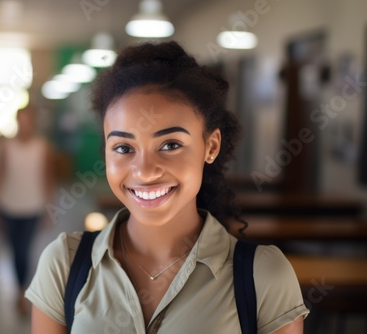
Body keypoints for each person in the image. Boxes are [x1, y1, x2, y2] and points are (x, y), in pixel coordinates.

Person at [26, 41, 309, 333]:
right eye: (124, 148)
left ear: (210, 146)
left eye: (170, 145)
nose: (145, 171)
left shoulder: (262, 276)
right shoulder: (65, 265)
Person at [0, 106, 53, 316]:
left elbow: (46, 178)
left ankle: (21, 293)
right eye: (22, 120)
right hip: (8, 206)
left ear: (33, 122)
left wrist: (48, 209)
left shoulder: (42, 147)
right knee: (14, 250)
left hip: (33, 207)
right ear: (17, 122)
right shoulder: (6, 146)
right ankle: (21, 289)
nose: (25, 124)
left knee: (23, 250)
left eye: (29, 120)